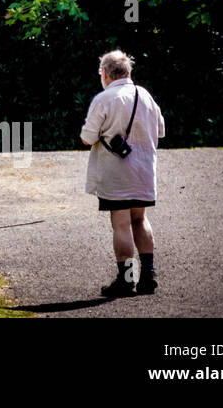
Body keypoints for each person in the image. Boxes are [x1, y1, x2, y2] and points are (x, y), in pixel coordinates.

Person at [80, 49, 165, 297]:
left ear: (105, 73)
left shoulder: (104, 99)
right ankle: (148, 277)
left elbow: (87, 138)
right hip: (144, 172)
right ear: (128, 71)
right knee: (140, 220)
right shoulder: (145, 95)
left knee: (121, 224)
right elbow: (160, 130)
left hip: (116, 174)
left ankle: (127, 281)